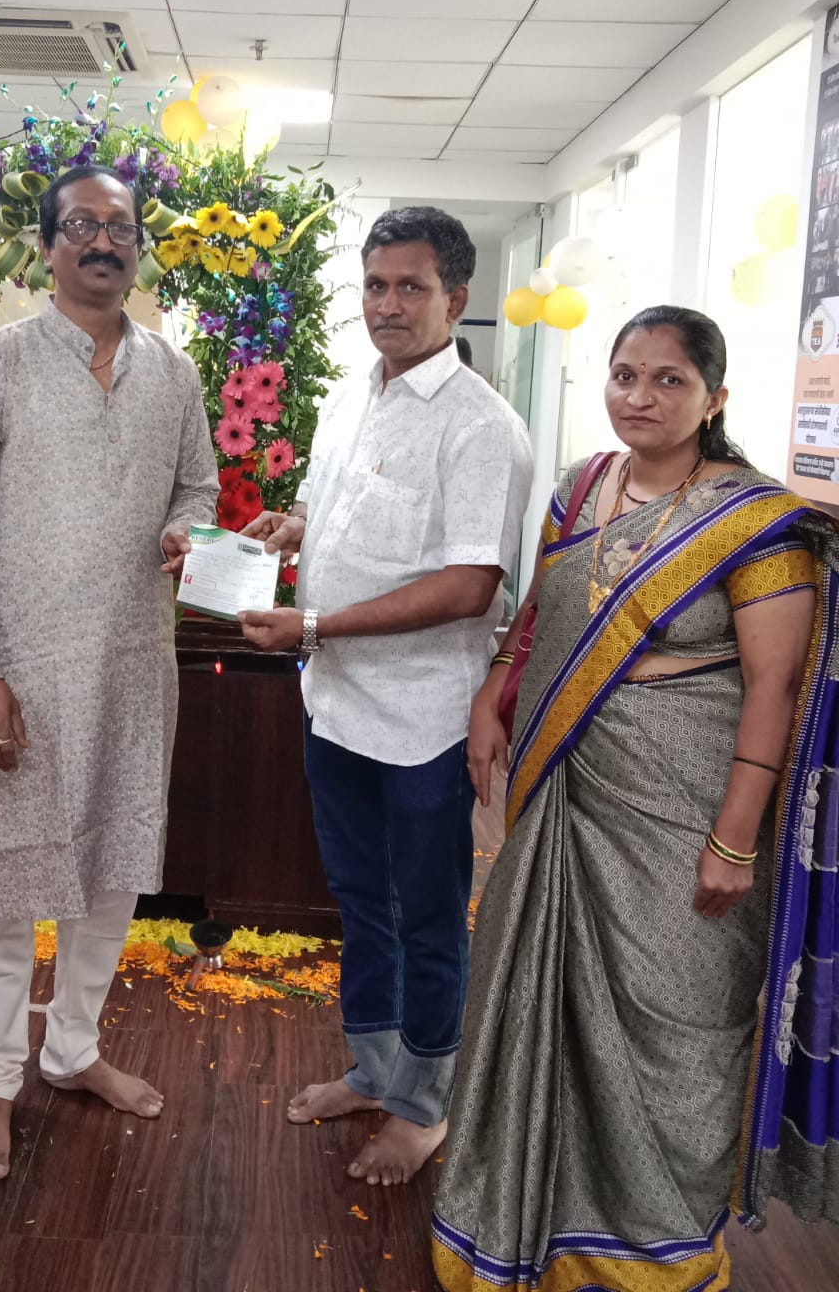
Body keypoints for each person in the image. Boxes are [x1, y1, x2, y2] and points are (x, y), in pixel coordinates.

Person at [432, 306, 839, 1291]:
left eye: (668, 380)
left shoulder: (754, 525)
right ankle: (525, 1224)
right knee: (532, 995)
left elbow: (775, 690)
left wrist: (734, 841)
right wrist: (495, 693)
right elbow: (540, 617)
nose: (640, 396)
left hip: (685, 811)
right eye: (625, 374)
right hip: (566, 789)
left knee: (677, 1020)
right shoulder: (581, 487)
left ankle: (654, 1247)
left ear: (714, 397)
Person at [0, 163, 218, 1183]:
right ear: (46, 247)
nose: (102, 240)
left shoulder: (173, 373)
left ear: (138, 247)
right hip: (18, 676)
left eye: (120, 226)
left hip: (134, 672)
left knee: (110, 875)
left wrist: (187, 529)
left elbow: (200, 487)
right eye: (81, 225)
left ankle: (74, 1048)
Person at [240, 206, 533, 1186]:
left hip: (422, 724)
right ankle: (373, 1072)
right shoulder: (351, 395)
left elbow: (470, 585)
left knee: (426, 915)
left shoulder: (481, 426)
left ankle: (424, 1107)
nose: (389, 304)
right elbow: (344, 509)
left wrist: (315, 623)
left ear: (456, 298)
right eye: (375, 284)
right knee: (361, 902)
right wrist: (293, 527)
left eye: (412, 286)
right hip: (336, 706)